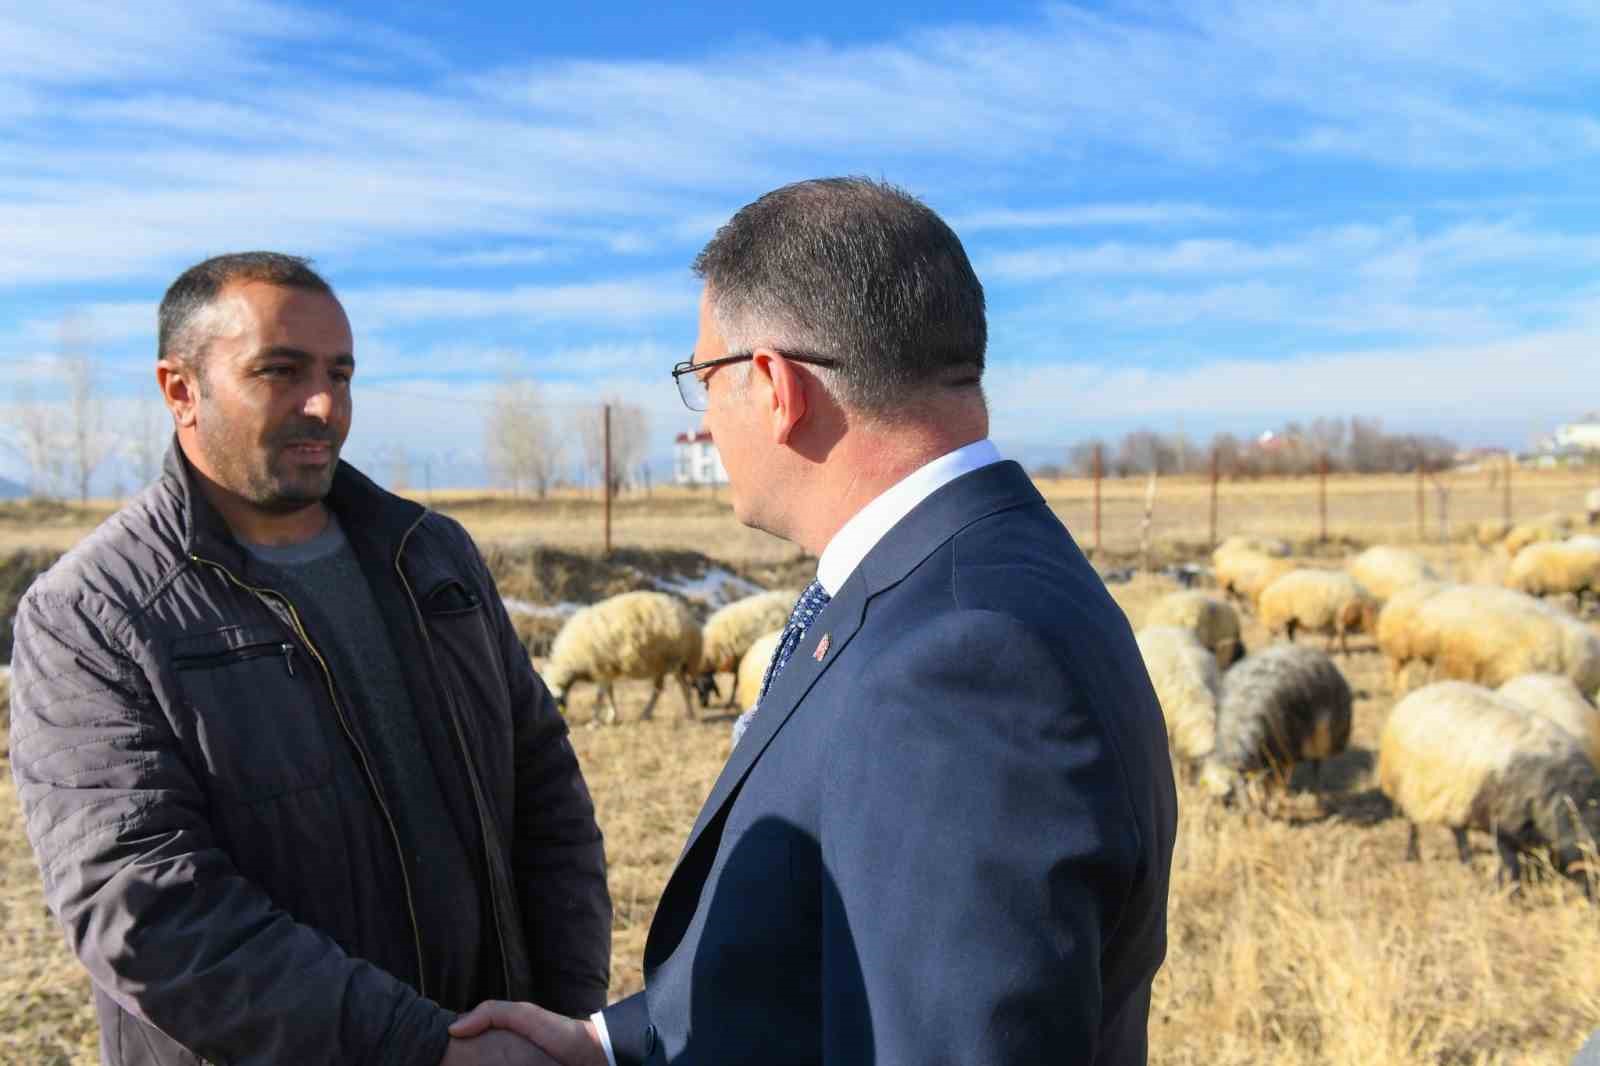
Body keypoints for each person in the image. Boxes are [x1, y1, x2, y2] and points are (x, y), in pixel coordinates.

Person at [451, 178, 1179, 1064]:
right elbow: (818, 962)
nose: (708, 421)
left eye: (701, 378)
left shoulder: (960, 661)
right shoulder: (958, 578)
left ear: (772, 385)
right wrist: (610, 1046)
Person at [9, 252, 610, 1066]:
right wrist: (420, 1048)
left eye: (341, 373)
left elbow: (546, 794)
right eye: (280, 372)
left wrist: (556, 1020)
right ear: (180, 389)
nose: (324, 404)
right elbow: (145, 908)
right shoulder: (95, 612)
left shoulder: (431, 559)